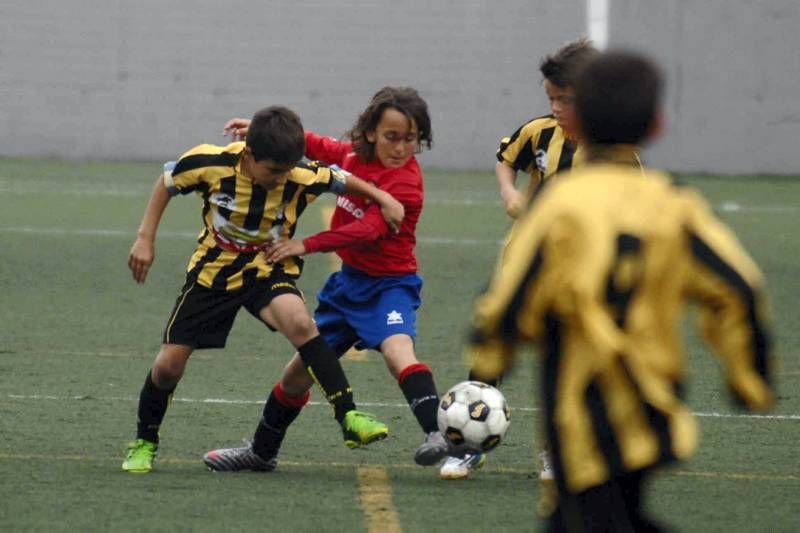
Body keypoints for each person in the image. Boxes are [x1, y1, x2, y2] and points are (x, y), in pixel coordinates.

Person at [466, 50, 774, 531]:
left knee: (590, 516)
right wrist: (750, 378)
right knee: (605, 514)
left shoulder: (559, 206)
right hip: (654, 398)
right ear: (657, 126)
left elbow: (508, 302)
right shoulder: (676, 205)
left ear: (578, 115)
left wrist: (492, 355)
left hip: (581, 402)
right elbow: (740, 289)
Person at [122, 106, 406, 473]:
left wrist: (384, 199)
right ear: (250, 155)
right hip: (214, 275)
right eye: (274, 171)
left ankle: (348, 415)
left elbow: (342, 179)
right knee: (168, 366)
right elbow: (165, 184)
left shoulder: (298, 173)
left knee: (302, 323)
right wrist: (145, 238)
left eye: (287, 170)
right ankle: (145, 440)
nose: (281, 178)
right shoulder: (209, 162)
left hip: (267, 268)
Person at [204, 86, 452, 470]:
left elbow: (367, 230)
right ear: (370, 132)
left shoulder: (404, 184)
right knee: (296, 375)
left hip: (390, 286)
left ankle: (436, 433)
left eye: (410, 139)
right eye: (392, 137)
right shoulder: (355, 154)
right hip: (346, 288)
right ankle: (261, 452)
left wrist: (305, 244)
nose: (401, 148)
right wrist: (262, 132)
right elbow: (322, 147)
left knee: (397, 351)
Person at [441, 38, 602, 481]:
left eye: (564, 100)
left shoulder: (614, 151)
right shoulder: (539, 132)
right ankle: (469, 446)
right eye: (550, 98)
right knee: (494, 343)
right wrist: (509, 191)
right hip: (524, 260)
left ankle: (556, 449)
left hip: (577, 271)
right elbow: (505, 157)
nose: (554, 108)